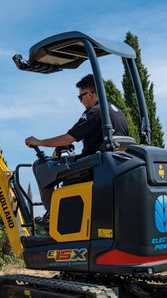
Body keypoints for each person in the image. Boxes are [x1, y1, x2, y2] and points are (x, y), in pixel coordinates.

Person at [25, 73, 129, 221]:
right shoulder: (117, 112)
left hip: (93, 166)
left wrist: (39, 142)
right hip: (111, 166)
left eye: (81, 96)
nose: (80, 101)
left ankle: (53, 217)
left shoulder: (94, 112)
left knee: (41, 166)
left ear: (91, 94)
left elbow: (68, 139)